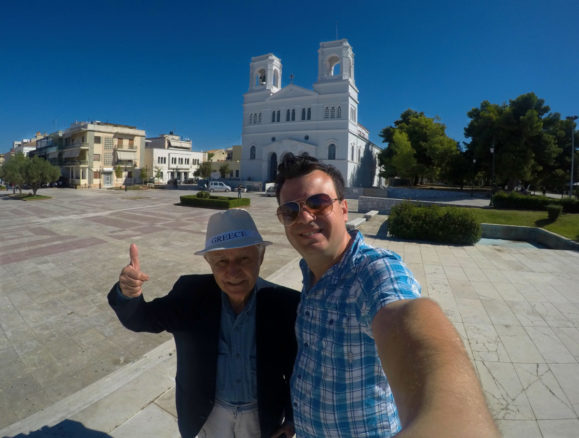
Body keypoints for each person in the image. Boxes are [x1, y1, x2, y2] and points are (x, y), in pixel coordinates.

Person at [274, 153, 499, 438]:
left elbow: (410, 323)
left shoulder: (373, 270)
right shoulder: (310, 271)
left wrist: (450, 416)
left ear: (344, 209)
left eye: (318, 203)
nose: (305, 217)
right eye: (290, 211)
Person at [108, 209, 300, 438]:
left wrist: (291, 419)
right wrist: (128, 295)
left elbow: (298, 372)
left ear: (261, 257)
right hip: (209, 416)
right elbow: (141, 318)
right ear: (209, 263)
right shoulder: (190, 294)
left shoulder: (285, 304)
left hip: (261, 418)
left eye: (244, 259)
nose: (232, 271)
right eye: (221, 261)